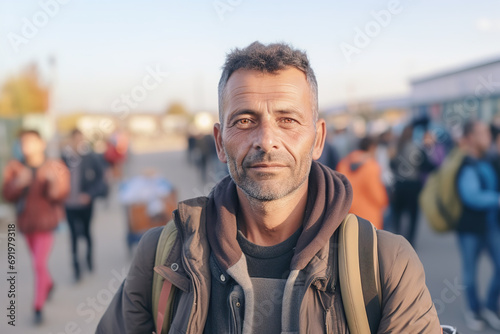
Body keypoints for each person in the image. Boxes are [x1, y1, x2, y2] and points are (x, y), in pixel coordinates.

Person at [97, 42, 440, 333]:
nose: (266, 140)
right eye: (244, 121)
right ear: (219, 142)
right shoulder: (164, 256)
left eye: (287, 120)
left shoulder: (386, 263)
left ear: (318, 138)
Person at [2, 129, 70, 324]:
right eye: (23, 143)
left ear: (41, 143)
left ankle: (38, 307)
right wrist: (18, 183)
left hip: (46, 224)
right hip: (26, 225)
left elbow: (61, 194)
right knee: (39, 264)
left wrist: (51, 183)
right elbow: (7, 194)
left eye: (31, 142)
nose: (27, 147)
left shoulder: (54, 166)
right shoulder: (15, 168)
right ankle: (48, 284)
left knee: (38, 264)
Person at [455, 120, 500, 331]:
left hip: (491, 225)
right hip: (470, 229)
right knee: (470, 273)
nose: (489, 136)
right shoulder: (466, 163)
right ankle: (474, 310)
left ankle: (490, 306)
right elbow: (471, 196)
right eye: (483, 133)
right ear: (471, 137)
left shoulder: (489, 159)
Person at [61, 129, 107, 281]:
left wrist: (90, 195)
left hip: (86, 204)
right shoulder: (64, 158)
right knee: (73, 235)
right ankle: (76, 268)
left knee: (87, 233)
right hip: (69, 205)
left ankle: (89, 258)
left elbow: (101, 180)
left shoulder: (91, 157)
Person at [390, 124, 435, 246]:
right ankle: (410, 242)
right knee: (413, 216)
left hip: (398, 185)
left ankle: (396, 239)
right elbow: (427, 166)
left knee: (398, 215)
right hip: (413, 185)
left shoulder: (396, 148)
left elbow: (391, 165)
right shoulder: (416, 149)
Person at [337, 136, 388, 229]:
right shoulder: (371, 167)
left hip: (347, 217)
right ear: (372, 148)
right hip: (369, 219)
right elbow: (378, 197)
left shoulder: (343, 164)